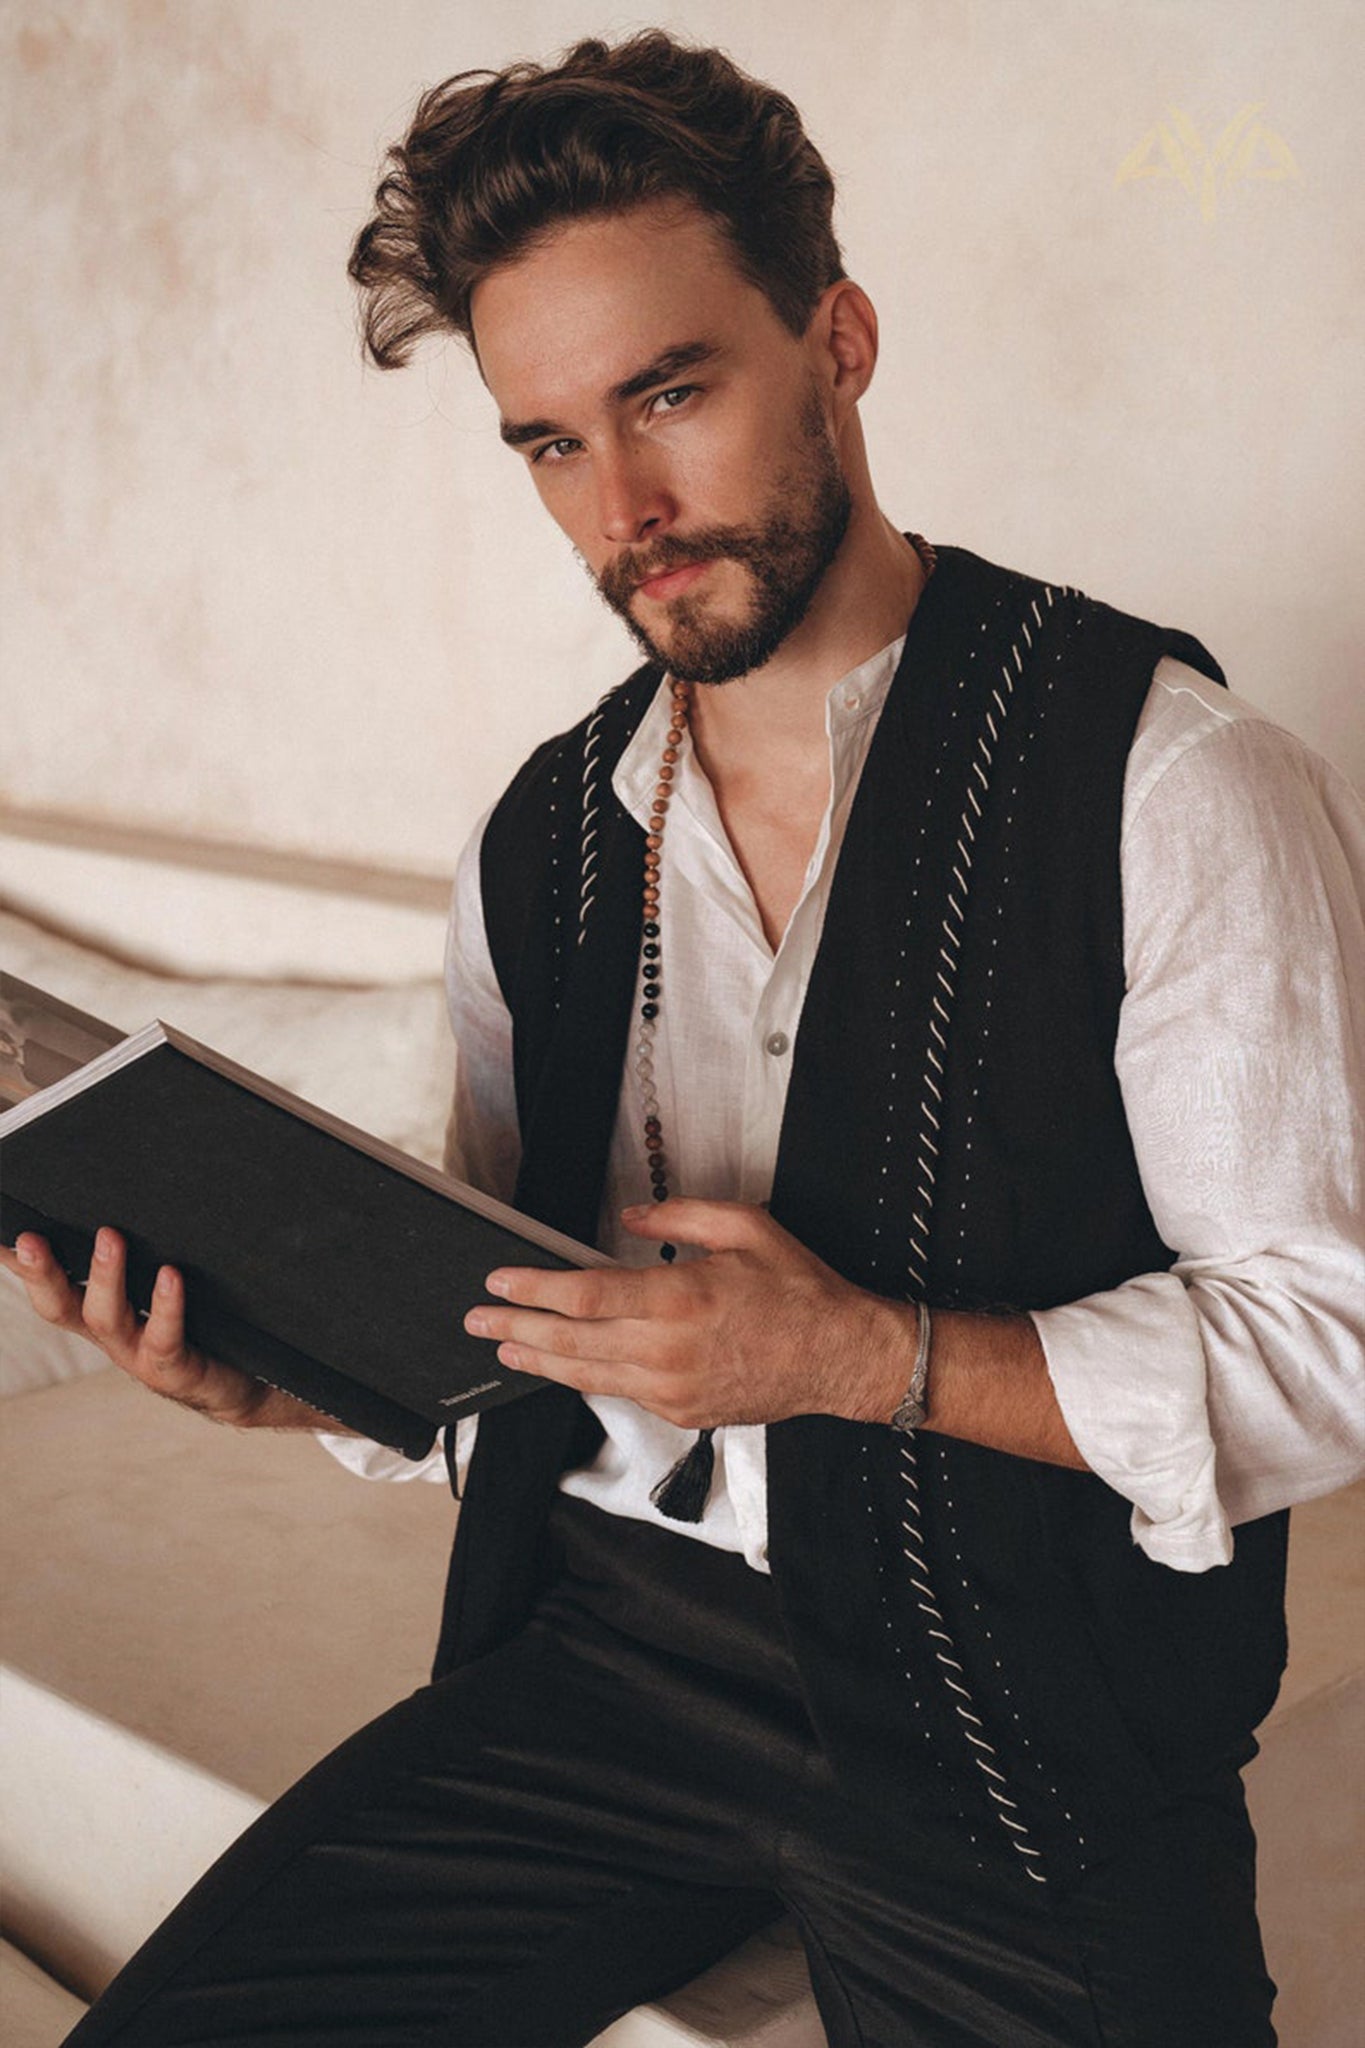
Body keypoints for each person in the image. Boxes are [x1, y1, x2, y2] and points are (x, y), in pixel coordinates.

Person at [5, 29, 1363, 2047]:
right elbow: (535, 1337)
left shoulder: (1168, 780)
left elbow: (1327, 1343)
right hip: (601, 1661)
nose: (623, 506)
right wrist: (300, 1385)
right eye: (549, 441)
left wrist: (849, 1357)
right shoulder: (537, 841)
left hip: (1006, 1726)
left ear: (837, 339)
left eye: (669, 392)